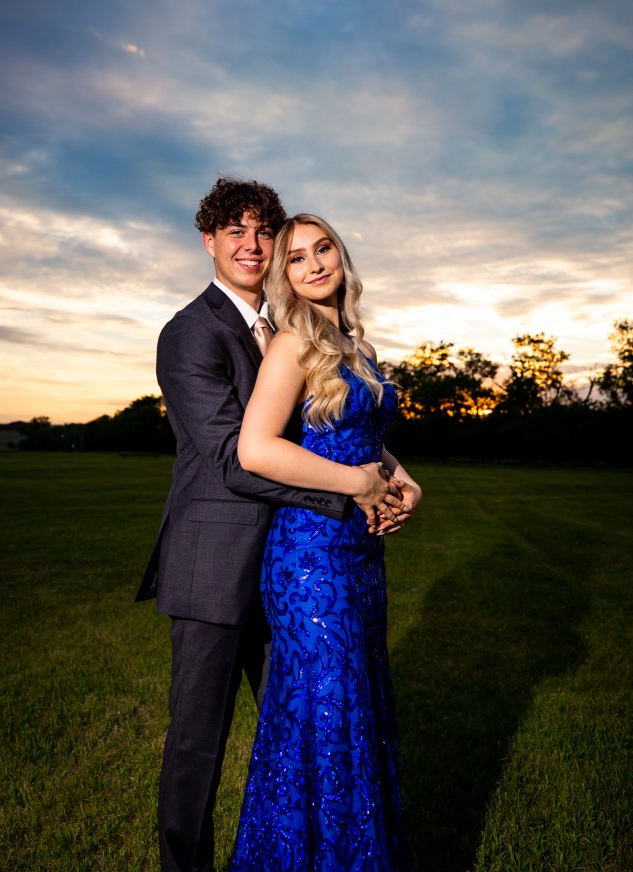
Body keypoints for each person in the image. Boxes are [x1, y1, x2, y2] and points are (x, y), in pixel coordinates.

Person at [135, 179, 408, 872]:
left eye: (264, 233)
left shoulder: (298, 328)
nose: (251, 246)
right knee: (198, 742)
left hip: (293, 563)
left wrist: (388, 473)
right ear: (209, 241)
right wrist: (349, 492)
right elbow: (235, 456)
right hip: (219, 566)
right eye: (236, 232)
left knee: (303, 728)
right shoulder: (191, 333)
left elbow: (321, 424)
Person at [229, 213, 422, 872]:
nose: (314, 265)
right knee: (325, 714)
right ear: (283, 276)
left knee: (357, 706)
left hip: (360, 555)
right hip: (311, 560)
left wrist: (402, 480)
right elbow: (256, 449)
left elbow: (360, 435)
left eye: (323, 249)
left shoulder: (355, 346)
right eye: (295, 257)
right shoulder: (291, 344)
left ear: (341, 254)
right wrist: (357, 483)